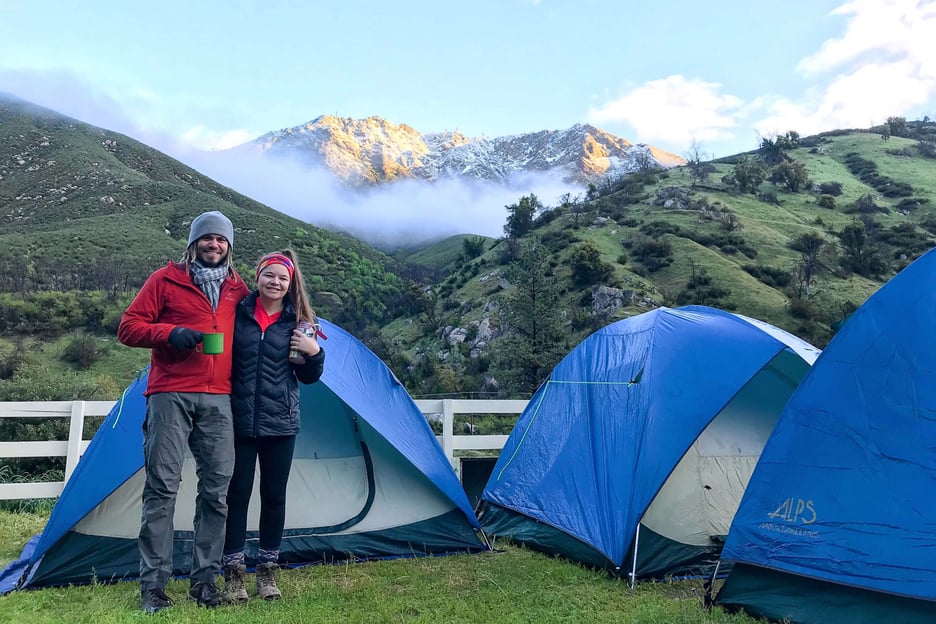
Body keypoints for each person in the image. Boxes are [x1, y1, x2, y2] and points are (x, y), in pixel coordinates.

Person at [117, 210, 249, 613]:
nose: (214, 245)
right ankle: (153, 587)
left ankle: (205, 582)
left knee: (217, 492)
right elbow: (128, 327)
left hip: (219, 397)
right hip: (170, 393)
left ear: (229, 246)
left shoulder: (239, 289)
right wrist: (170, 333)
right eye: (207, 238)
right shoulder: (165, 279)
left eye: (221, 240)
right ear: (194, 243)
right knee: (162, 488)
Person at [222, 250, 325, 602]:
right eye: (270, 275)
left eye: (283, 278)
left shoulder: (298, 323)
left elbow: (308, 377)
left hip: (280, 423)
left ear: (290, 283)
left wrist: (314, 352)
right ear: (258, 276)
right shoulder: (237, 314)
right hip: (238, 421)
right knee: (236, 496)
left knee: (273, 496)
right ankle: (234, 574)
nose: (276, 282)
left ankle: (267, 572)